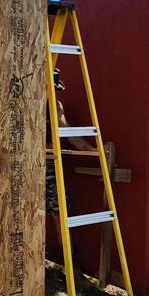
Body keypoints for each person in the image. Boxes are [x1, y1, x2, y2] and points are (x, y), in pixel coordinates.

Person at [46, 67, 96, 219]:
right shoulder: (27, 105)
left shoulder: (56, 106)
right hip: (28, 164)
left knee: (59, 210)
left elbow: (68, 134)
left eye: (55, 90)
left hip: (50, 164)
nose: (53, 92)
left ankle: (65, 244)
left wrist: (92, 150)